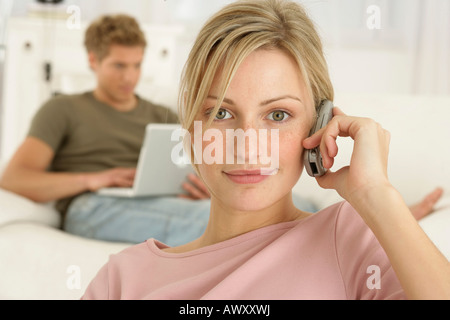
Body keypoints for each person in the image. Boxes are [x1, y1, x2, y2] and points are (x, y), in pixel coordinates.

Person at [81, 0, 449, 300]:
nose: (247, 145)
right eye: (222, 113)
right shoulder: (122, 279)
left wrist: (377, 196)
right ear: (192, 129)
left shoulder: (349, 238)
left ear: (319, 125)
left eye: (277, 115)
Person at [0, 14, 215, 246]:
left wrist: (205, 189)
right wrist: (94, 179)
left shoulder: (162, 115)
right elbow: (14, 179)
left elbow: (191, 171)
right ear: (93, 60)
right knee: (212, 222)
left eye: (137, 65)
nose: (129, 76)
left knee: (228, 214)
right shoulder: (62, 109)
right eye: (119, 65)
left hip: (160, 202)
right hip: (92, 206)